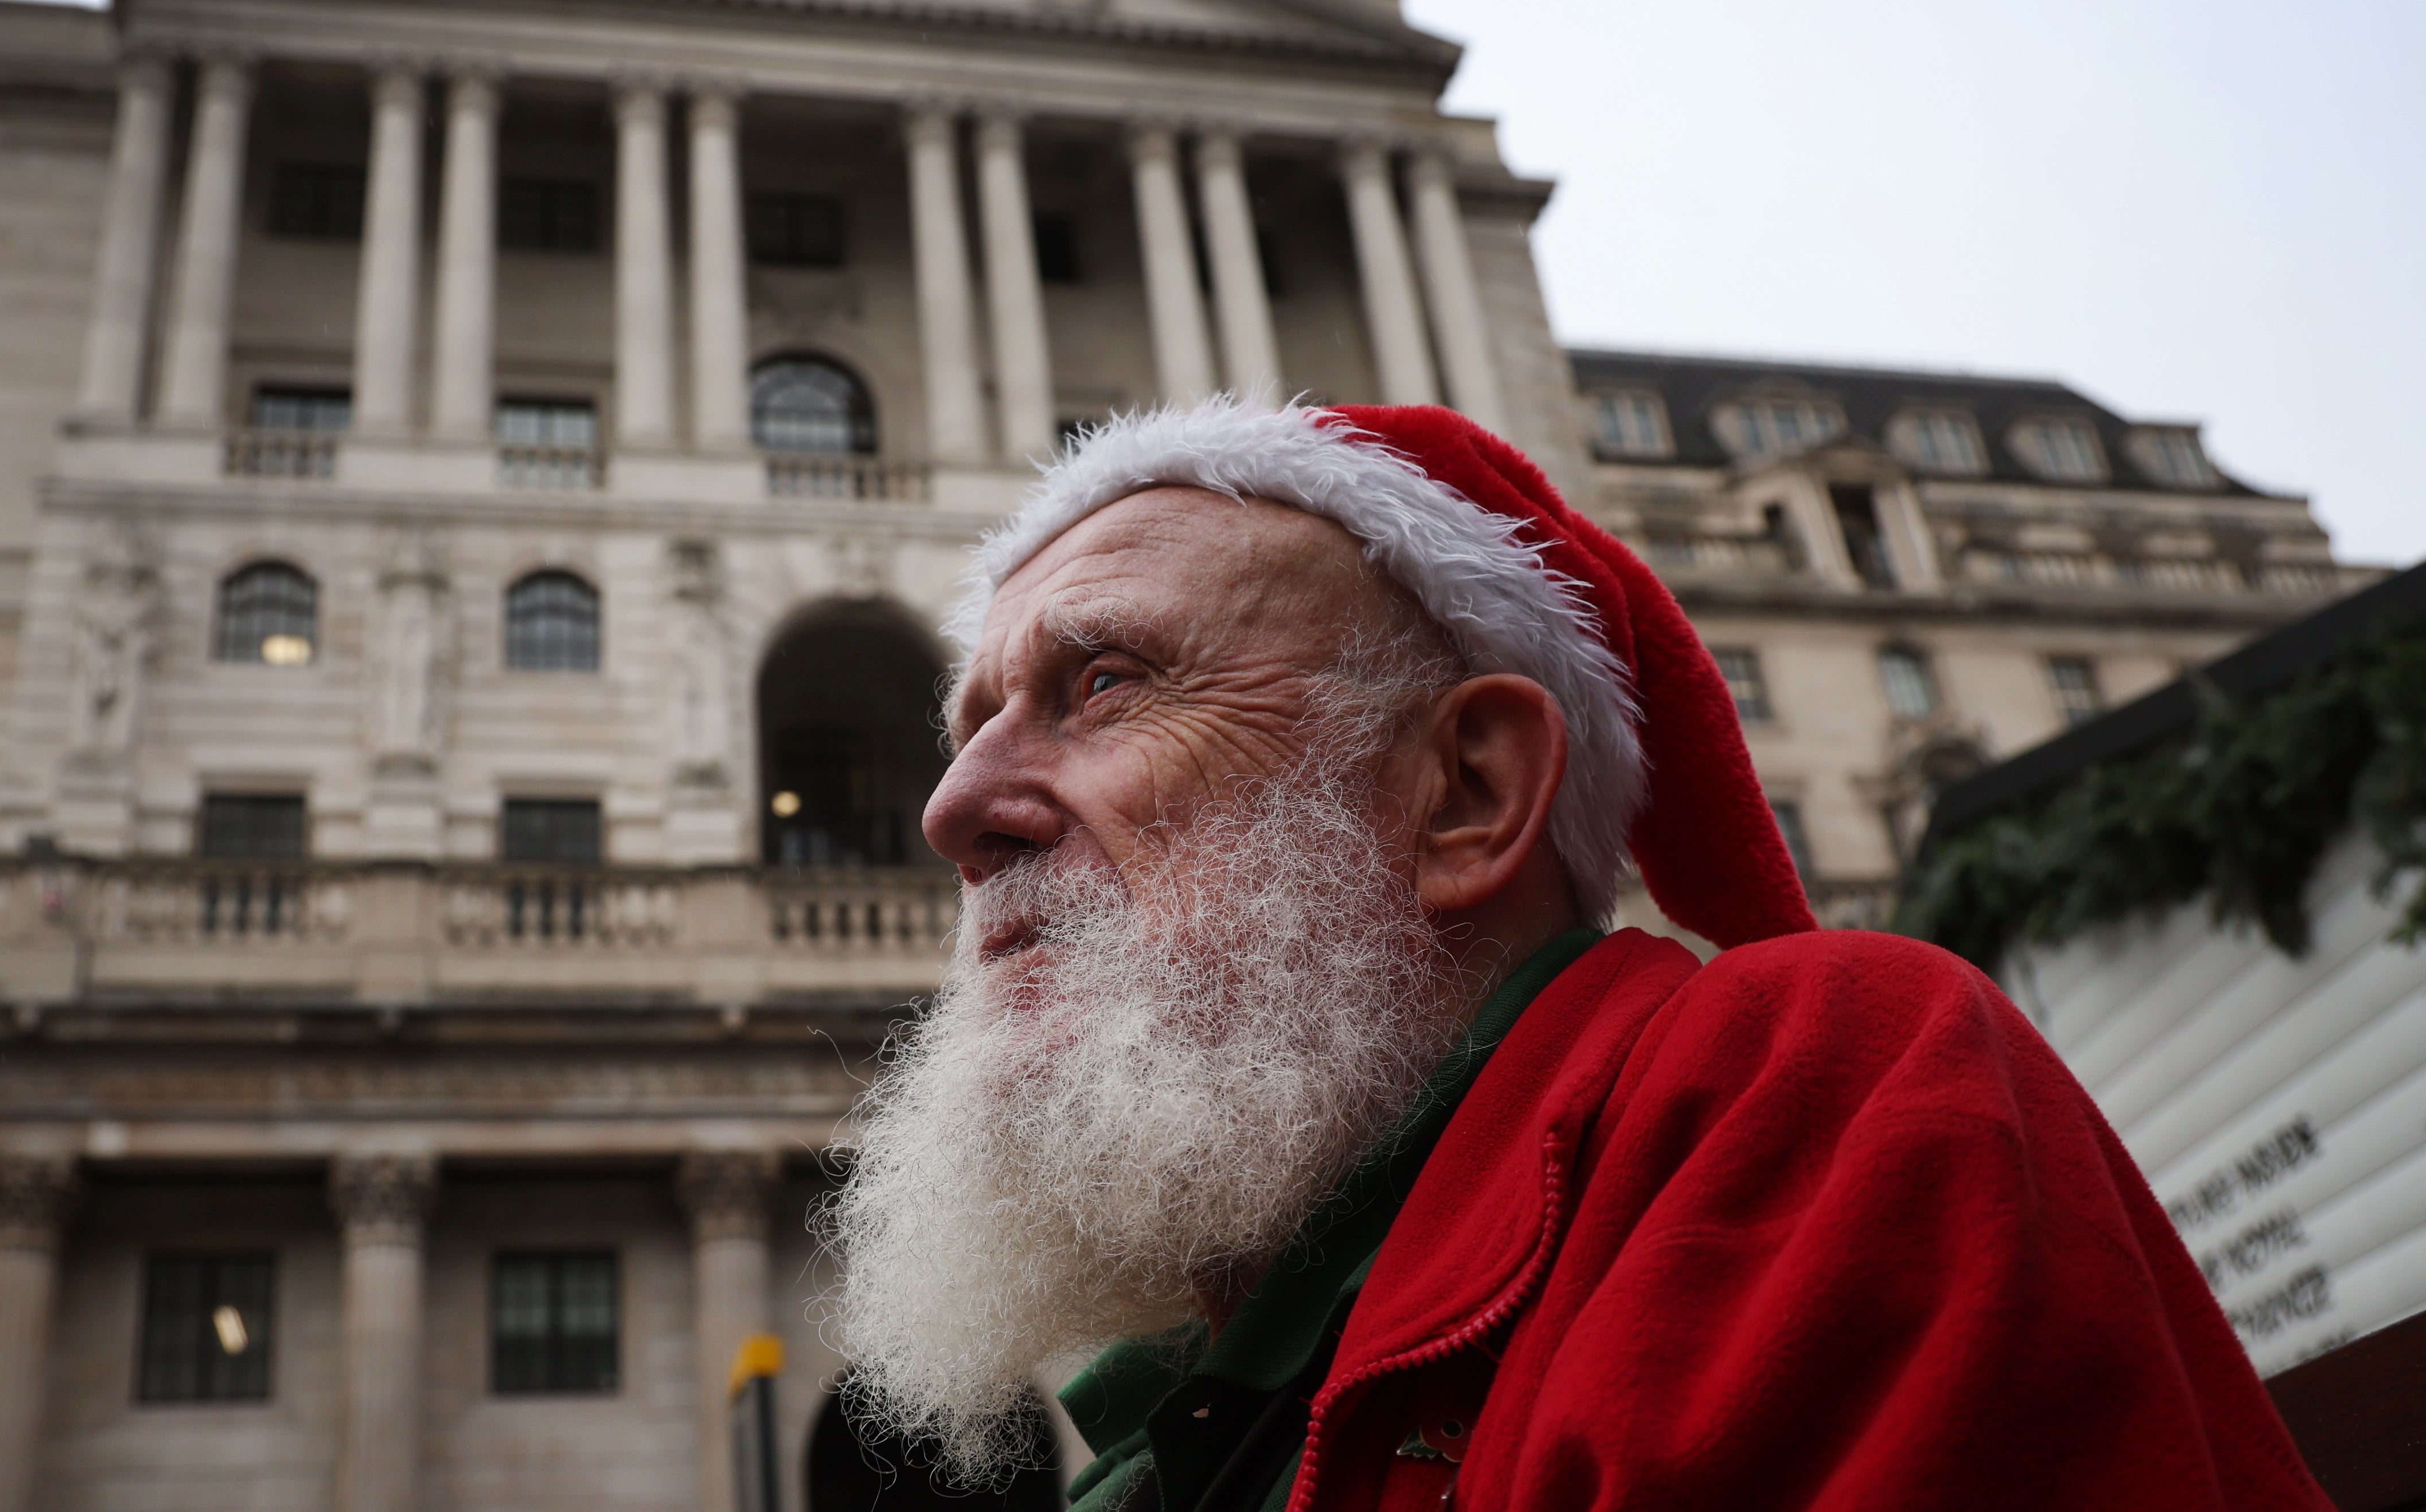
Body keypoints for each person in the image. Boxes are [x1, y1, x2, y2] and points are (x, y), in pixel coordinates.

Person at [823, 398, 2331, 1512]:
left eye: (1104, 684)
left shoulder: (1819, 1077)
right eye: (972, 730)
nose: (956, 813)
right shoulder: (1163, 1440)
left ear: (1466, 793)